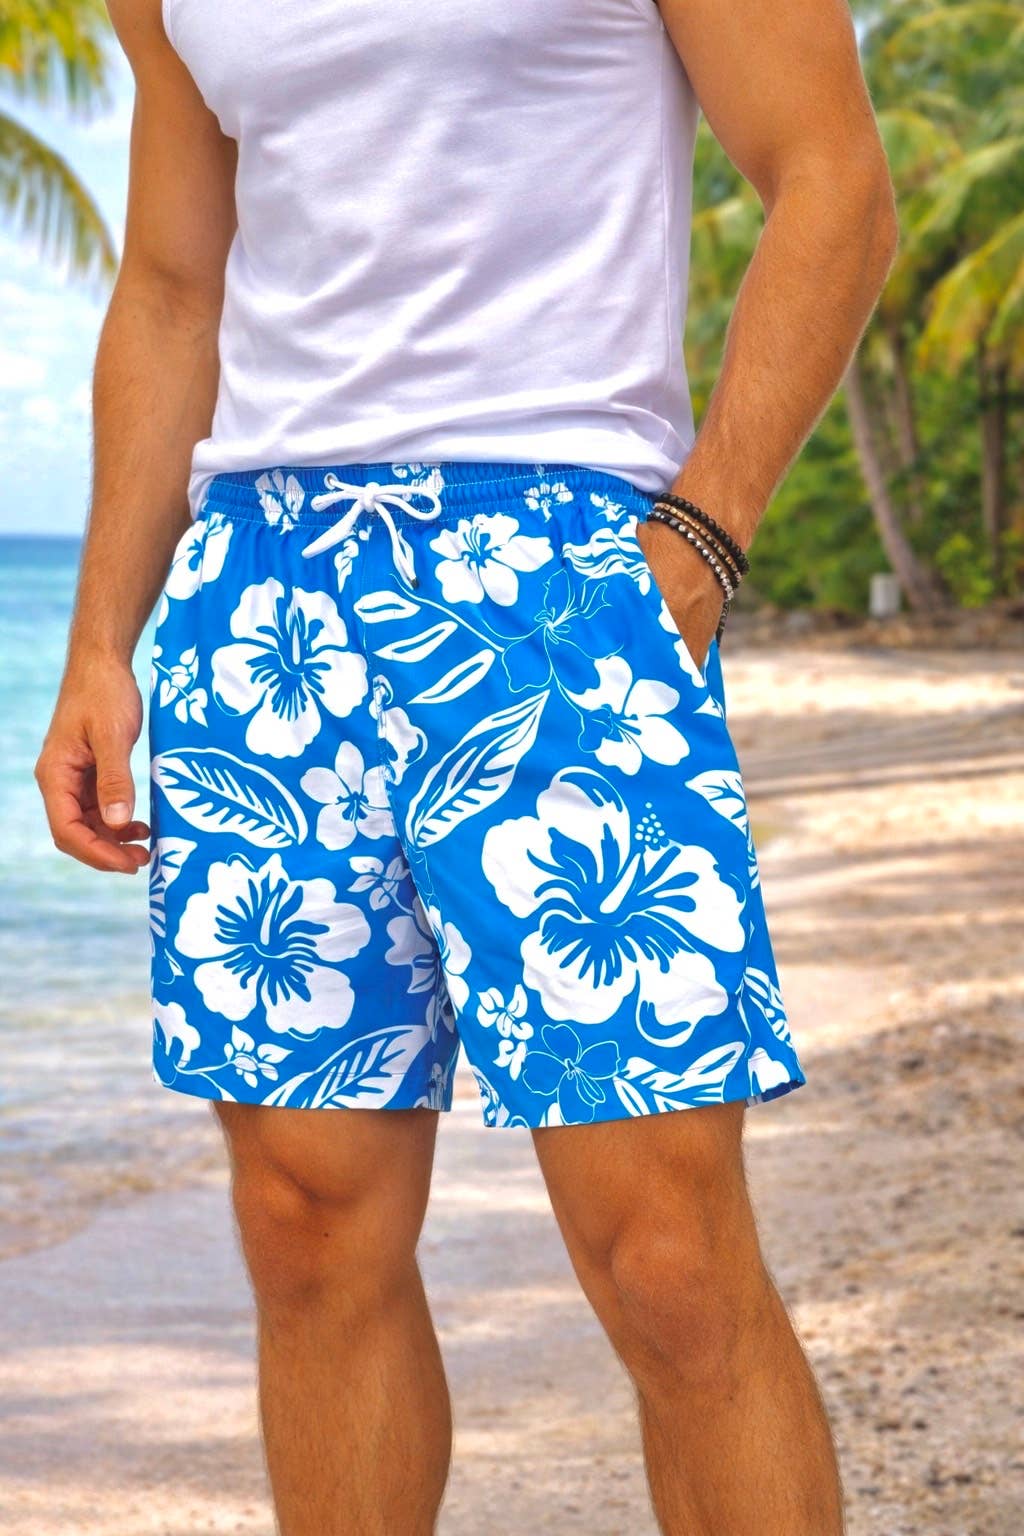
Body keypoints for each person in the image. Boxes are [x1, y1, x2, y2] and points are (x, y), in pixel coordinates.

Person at [35, 0, 897, 1529]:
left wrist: (704, 533)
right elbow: (173, 287)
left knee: (667, 1254)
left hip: (559, 577)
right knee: (306, 1228)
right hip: (266, 600)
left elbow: (833, 179)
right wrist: (102, 637)